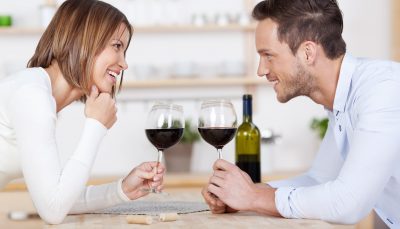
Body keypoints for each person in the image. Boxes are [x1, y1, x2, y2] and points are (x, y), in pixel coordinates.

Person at [202, 0, 400, 227]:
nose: (261, 70)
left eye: (268, 55)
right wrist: (244, 195)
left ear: (308, 52)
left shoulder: (383, 90)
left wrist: (254, 197)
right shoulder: (345, 99)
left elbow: (348, 203)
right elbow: (319, 180)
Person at [0, 0, 165, 224]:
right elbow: (53, 210)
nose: (124, 64)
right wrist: (96, 125)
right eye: (117, 46)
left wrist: (122, 189)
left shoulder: (38, 95)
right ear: (83, 40)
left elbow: (56, 197)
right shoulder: (32, 94)